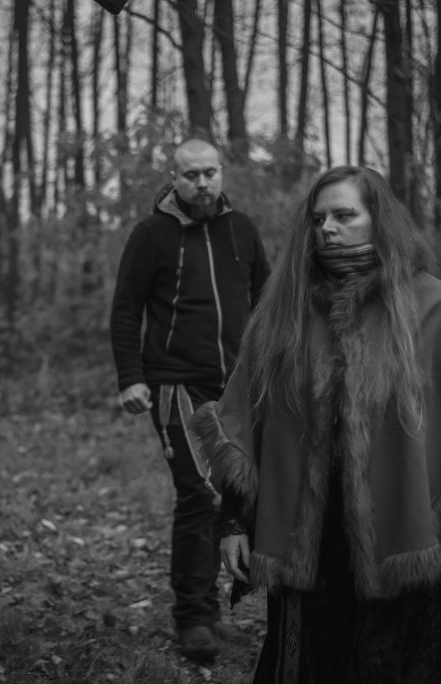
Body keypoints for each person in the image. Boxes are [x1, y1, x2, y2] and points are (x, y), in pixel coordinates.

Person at [191, 166, 441, 682]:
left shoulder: (434, 307)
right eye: (318, 219)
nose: (327, 228)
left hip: (405, 531)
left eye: (344, 215)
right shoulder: (284, 312)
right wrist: (234, 522)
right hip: (309, 539)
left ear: (379, 220)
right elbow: (246, 423)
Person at [110, 138, 271, 662]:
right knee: (200, 493)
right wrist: (131, 378)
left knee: (234, 493)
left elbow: (266, 299)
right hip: (177, 382)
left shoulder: (241, 229)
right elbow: (126, 308)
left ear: (221, 173)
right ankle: (193, 620)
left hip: (238, 384)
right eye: (190, 175)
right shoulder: (151, 235)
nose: (202, 183)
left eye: (209, 173)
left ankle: (212, 611)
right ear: (173, 179)